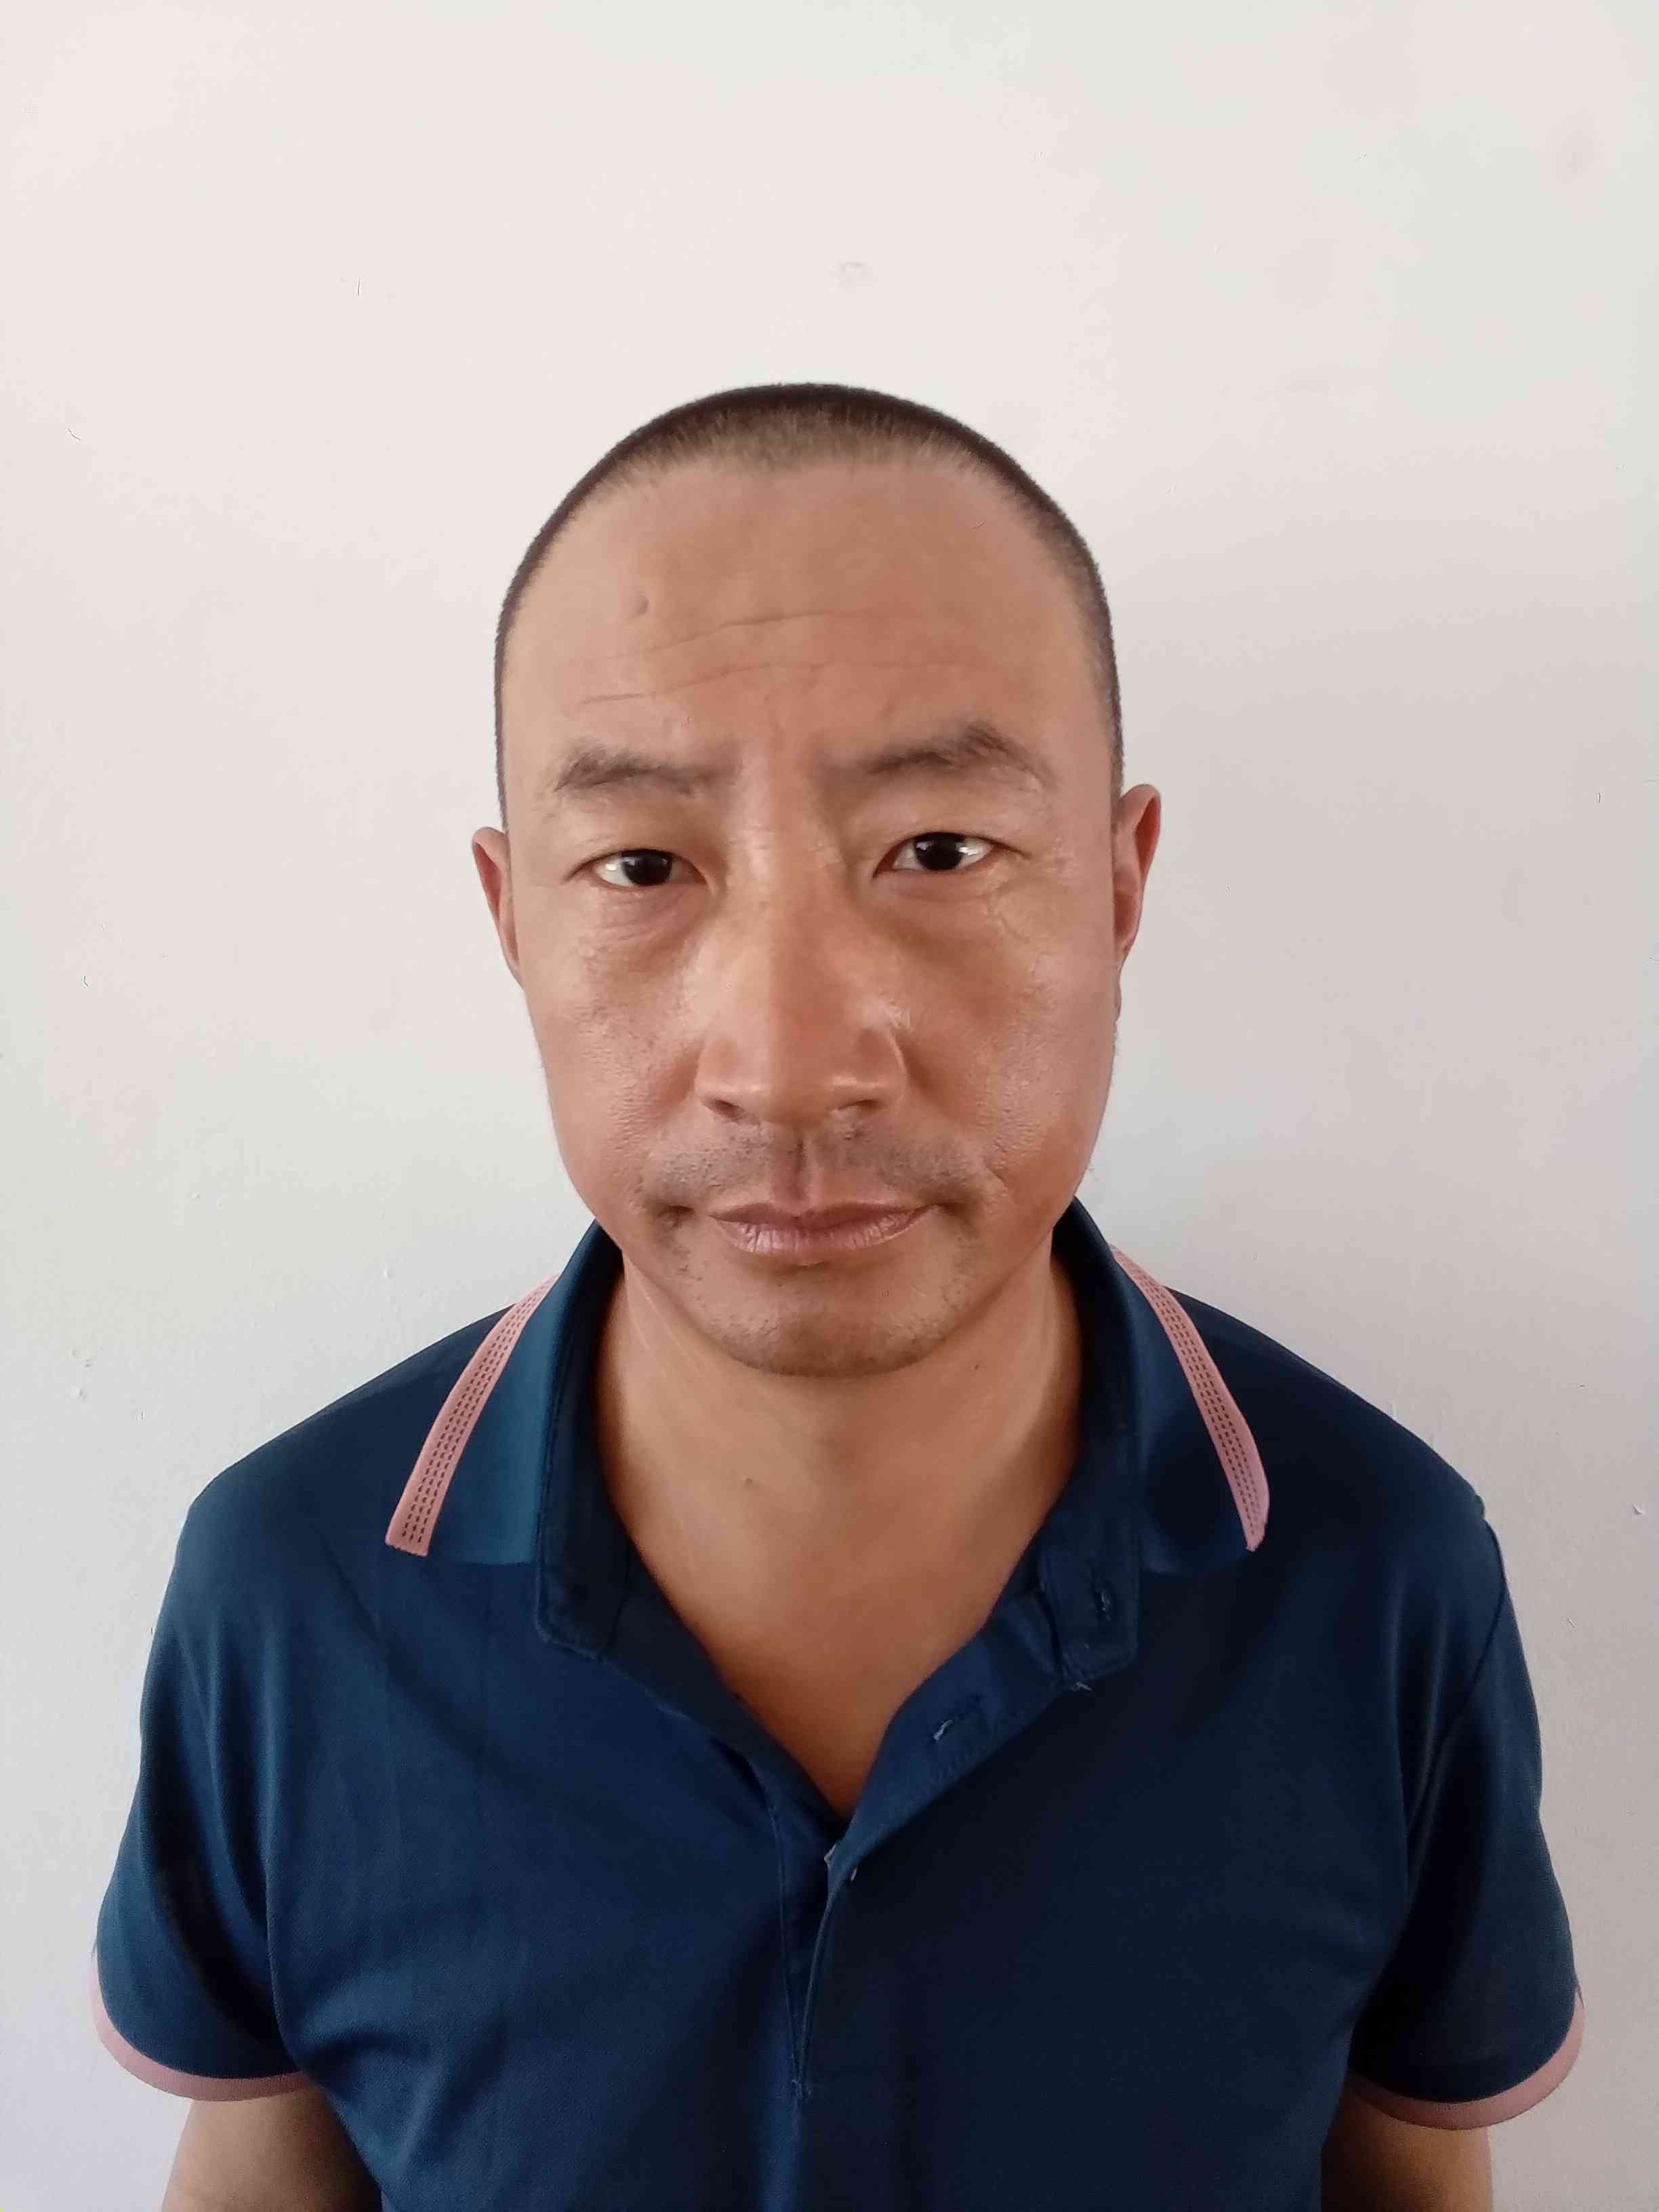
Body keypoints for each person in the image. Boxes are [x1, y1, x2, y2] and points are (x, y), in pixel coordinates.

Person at [91, 383, 1582, 2212]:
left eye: (939, 851)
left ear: (1120, 888)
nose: (792, 1065)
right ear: (512, 918)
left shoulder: (1380, 1573)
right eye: (643, 866)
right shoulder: (293, 1589)